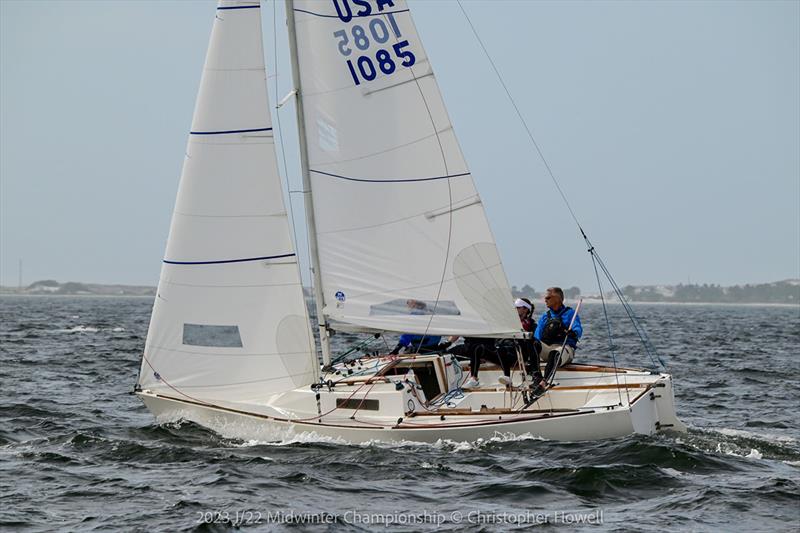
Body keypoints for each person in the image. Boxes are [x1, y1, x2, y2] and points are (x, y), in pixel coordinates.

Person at [531, 287, 582, 385]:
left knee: (554, 354)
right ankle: (536, 376)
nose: (545, 300)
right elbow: (537, 336)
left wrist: (573, 332)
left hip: (564, 348)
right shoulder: (545, 316)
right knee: (532, 343)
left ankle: (544, 383)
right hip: (548, 348)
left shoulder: (570, 313)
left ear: (558, 299)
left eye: (548, 298)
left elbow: (578, 329)